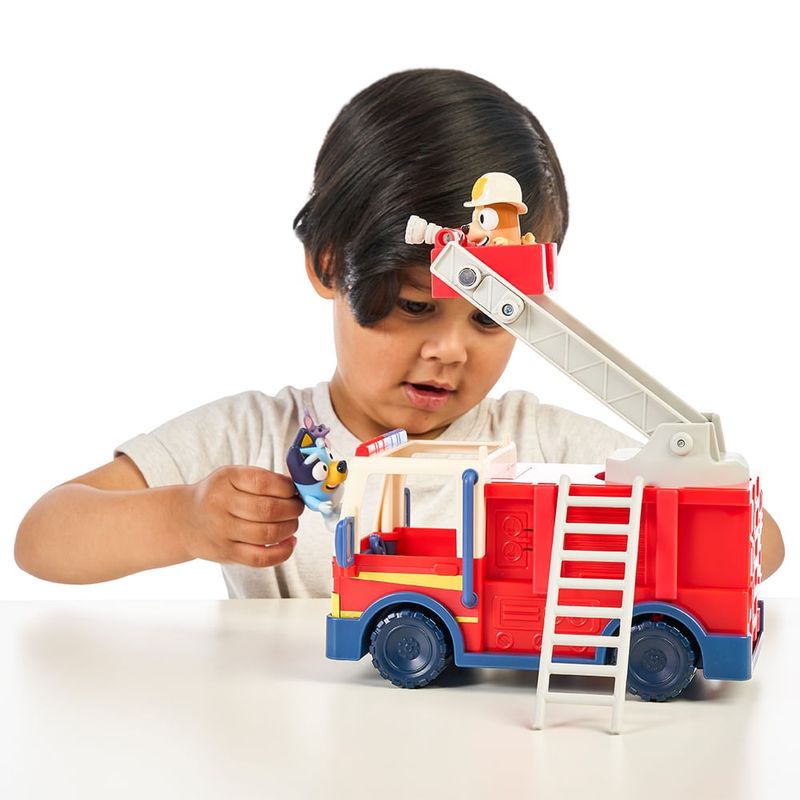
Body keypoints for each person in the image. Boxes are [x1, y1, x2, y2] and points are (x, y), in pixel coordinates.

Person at [14, 69, 784, 596]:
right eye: (416, 307)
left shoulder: (542, 451)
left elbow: (763, 543)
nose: (450, 350)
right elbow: (43, 537)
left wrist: (609, 543)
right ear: (329, 265)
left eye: (492, 317)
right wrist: (182, 520)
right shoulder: (254, 439)